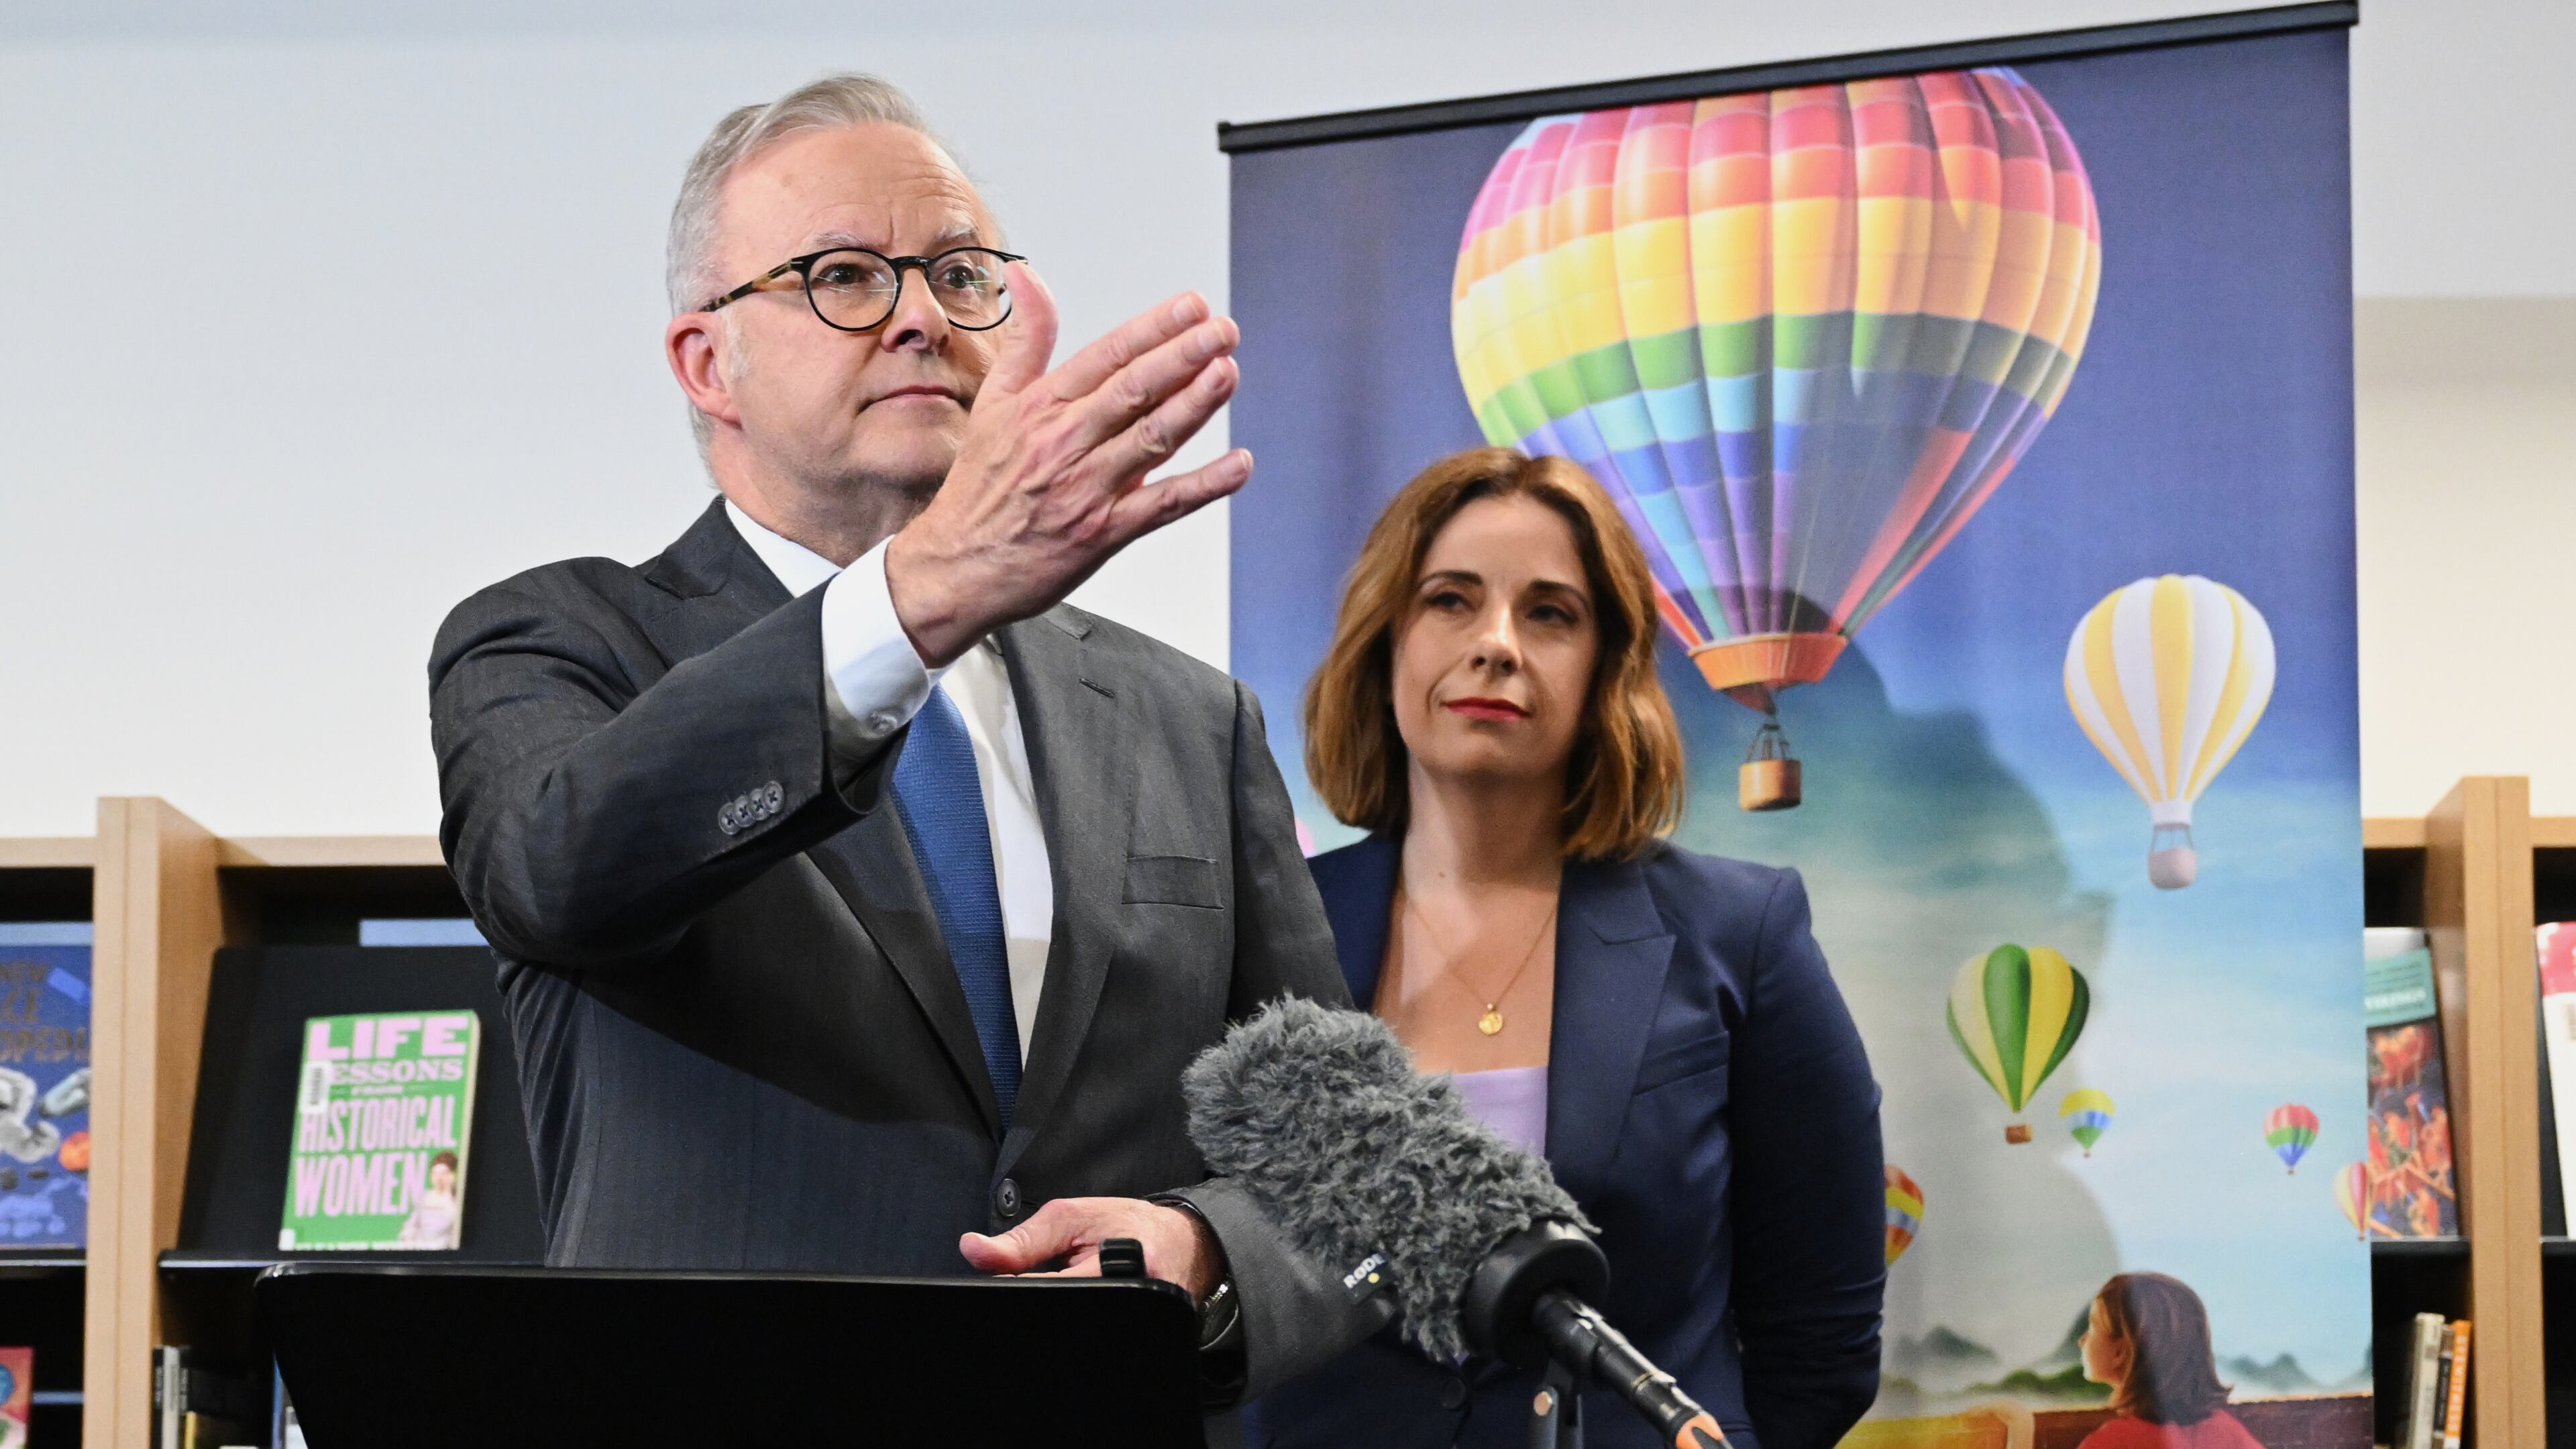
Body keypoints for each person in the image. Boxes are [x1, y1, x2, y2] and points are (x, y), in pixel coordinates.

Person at [429, 74, 1377, 1414]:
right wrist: (914, 596)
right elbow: (558, 867)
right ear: (709, 365)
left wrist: (1207, 1254)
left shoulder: (1189, 719)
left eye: (960, 273)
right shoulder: (558, 643)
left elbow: (1349, 1164)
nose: (923, 315)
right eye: (844, 277)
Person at [1254, 449, 1885, 1449]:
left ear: (1607, 669)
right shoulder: (1266, 932)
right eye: (1451, 600)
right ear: (1386, 640)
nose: (1496, 645)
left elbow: (1823, 1342)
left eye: (1550, 613)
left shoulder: (1741, 934)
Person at [2076, 1273, 2262, 1448]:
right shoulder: (2229, 1432)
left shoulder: (2111, 1442)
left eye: (2093, 1326)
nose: (2082, 1340)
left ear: (2120, 1352)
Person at [396, 1151, 461, 1249]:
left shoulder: (457, 1200)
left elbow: (456, 1222)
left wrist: (448, 1194)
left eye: (444, 1173)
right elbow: (412, 1224)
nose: (439, 1179)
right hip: (422, 1248)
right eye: (435, 1174)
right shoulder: (424, 1197)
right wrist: (408, 1236)